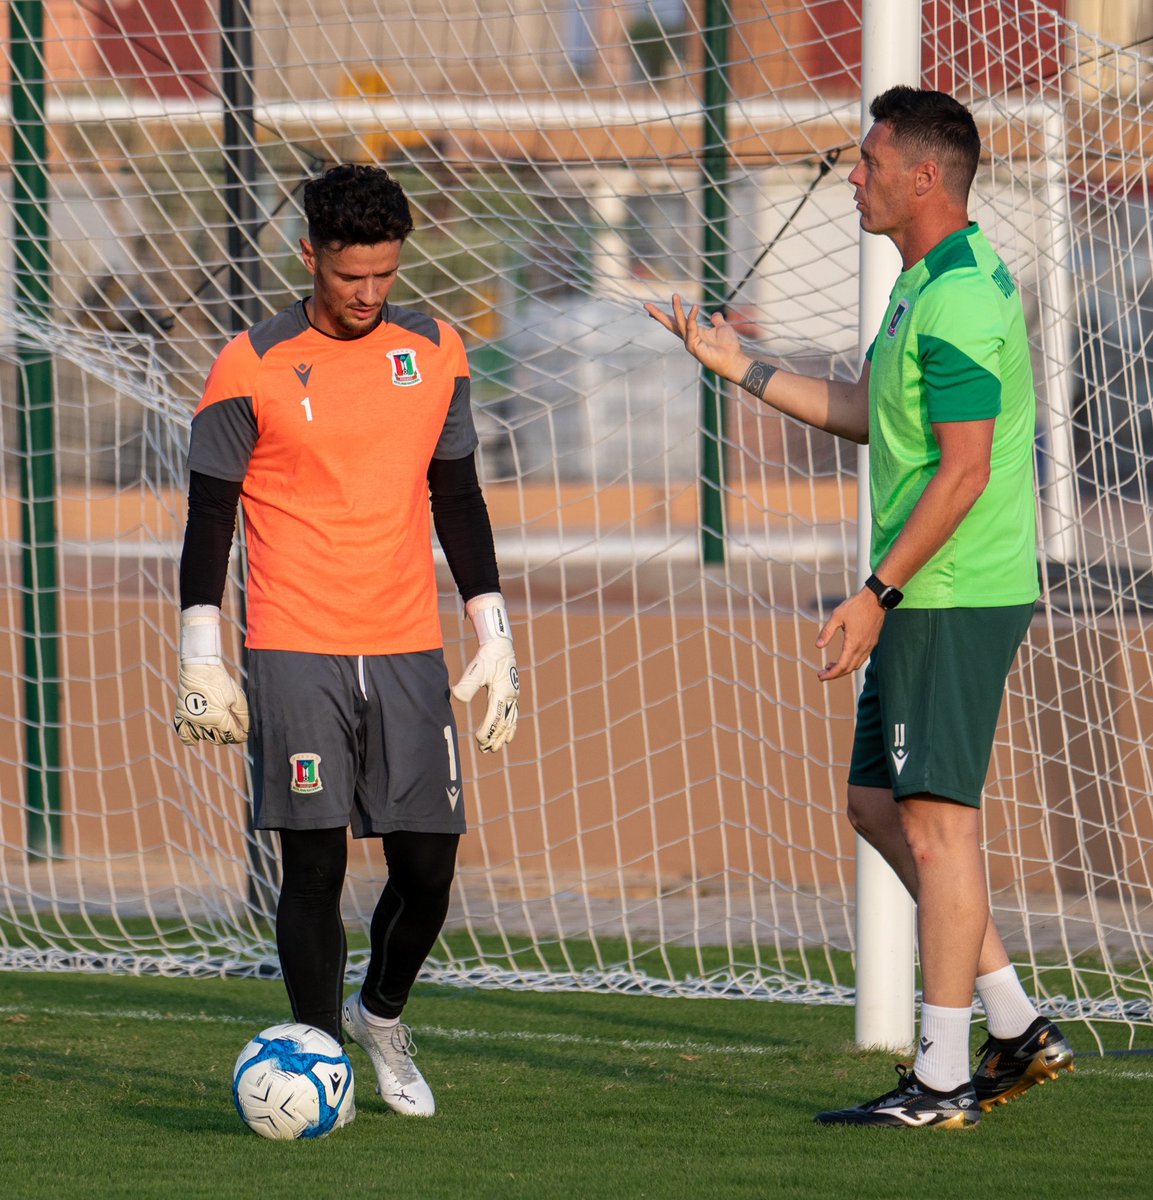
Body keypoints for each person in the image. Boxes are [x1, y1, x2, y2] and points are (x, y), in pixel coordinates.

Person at [646, 86, 1074, 1129]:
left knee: (936, 828)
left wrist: (878, 592)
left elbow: (966, 472)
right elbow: (873, 423)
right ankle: (1012, 1026)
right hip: (919, 589)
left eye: (870, 161)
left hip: (948, 591)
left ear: (923, 176)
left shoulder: (964, 294)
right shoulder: (921, 284)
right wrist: (734, 366)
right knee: (878, 809)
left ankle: (939, 1081)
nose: (854, 175)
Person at [173, 163, 520, 1122]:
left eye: (384, 275)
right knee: (315, 866)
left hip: (408, 641)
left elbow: (457, 495)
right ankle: (315, 1064)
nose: (368, 295)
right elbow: (209, 517)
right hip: (293, 640)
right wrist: (201, 651)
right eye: (349, 275)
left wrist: (494, 634)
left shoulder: (437, 348)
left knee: (427, 868)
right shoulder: (249, 362)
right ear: (310, 257)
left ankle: (382, 1015)